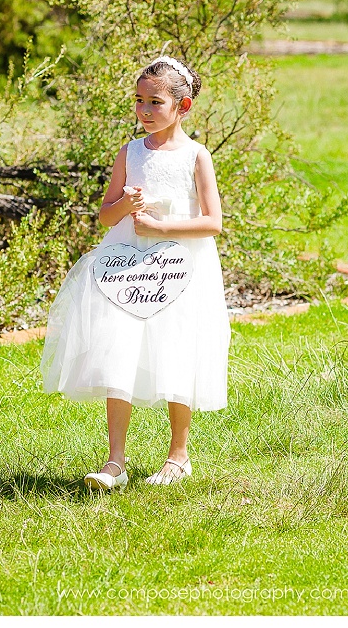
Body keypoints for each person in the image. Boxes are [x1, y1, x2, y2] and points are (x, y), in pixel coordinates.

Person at [41, 57, 228, 489]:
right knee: (117, 351)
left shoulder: (196, 156)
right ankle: (115, 461)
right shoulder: (130, 152)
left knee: (177, 351)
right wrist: (125, 206)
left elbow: (213, 221)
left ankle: (178, 455)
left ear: (183, 107)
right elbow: (106, 216)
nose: (144, 111)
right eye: (139, 101)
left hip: (179, 268)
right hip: (126, 265)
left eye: (155, 102)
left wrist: (162, 227)